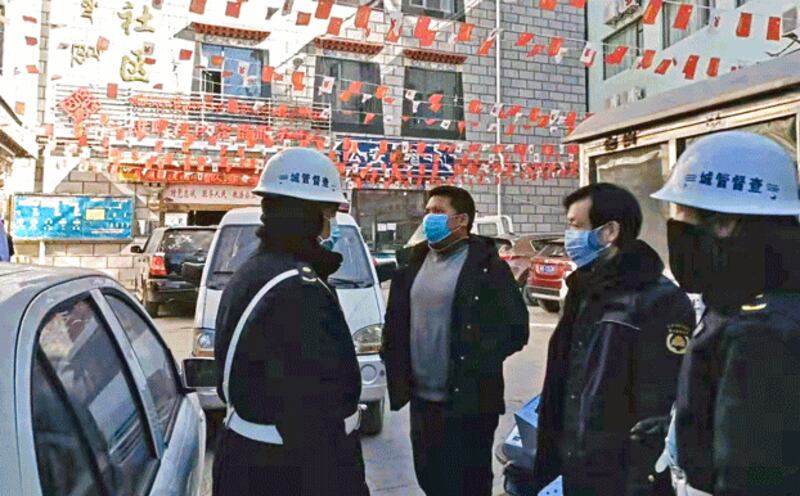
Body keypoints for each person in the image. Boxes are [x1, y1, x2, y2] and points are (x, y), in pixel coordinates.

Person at [212, 148, 369, 496]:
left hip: (250, 458)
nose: (333, 224)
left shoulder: (256, 269)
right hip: (286, 469)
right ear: (306, 216)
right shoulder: (297, 289)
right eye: (329, 213)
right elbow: (313, 412)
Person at [650, 131, 800, 495]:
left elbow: (754, 474)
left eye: (682, 215)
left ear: (725, 223)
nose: (676, 230)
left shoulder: (763, 328)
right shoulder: (738, 303)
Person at [532, 183, 695, 496]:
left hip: (620, 476)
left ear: (609, 232)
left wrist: (641, 479)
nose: (569, 236)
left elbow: (659, 404)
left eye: (575, 226)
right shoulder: (582, 291)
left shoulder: (658, 300)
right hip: (574, 463)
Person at [381, 186, 529, 496]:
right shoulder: (413, 263)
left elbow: (516, 330)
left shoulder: (488, 268)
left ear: (461, 220)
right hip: (423, 401)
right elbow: (396, 323)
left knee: (468, 483)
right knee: (430, 477)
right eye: (428, 211)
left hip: (469, 401)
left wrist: (477, 360)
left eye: (437, 211)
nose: (428, 218)